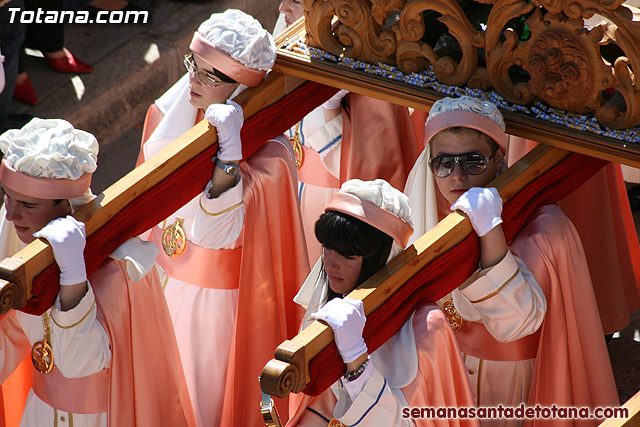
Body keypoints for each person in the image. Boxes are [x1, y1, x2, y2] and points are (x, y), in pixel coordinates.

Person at [136, 9, 309, 427]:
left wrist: (228, 163)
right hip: (161, 284)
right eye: (194, 65)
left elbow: (215, 235)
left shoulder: (269, 156)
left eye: (212, 75)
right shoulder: (173, 115)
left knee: (198, 400)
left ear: (241, 89)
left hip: (211, 307)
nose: (194, 79)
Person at [404, 96, 619, 426]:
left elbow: (516, 324)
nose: (456, 177)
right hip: (448, 369)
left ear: (499, 159)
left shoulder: (546, 229)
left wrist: (490, 230)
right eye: (443, 163)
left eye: (472, 162)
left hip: (511, 378)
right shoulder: (423, 215)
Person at [0, 118, 195, 426]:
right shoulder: (16, 244)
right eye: (6, 197)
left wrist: (73, 275)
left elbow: (79, 363)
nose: (11, 214)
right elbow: (8, 336)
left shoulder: (121, 269)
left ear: (67, 206)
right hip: (38, 413)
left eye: (27, 204)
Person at [287, 179, 479, 427]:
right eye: (327, 248)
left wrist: (357, 361)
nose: (329, 264)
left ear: (380, 258)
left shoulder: (425, 328)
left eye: (347, 255)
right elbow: (317, 407)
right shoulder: (327, 304)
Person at [277, 0, 419, 265]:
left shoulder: (366, 64)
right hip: (292, 192)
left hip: (333, 201)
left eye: (296, 1)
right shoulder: (291, 44)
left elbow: (373, 171)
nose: (283, 9)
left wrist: (328, 110)